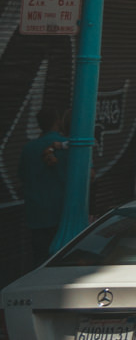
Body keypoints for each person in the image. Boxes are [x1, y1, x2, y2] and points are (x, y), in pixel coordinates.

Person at [20, 107, 69, 265]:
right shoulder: (67, 145)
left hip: (36, 214)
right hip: (61, 212)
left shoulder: (28, 149)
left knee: (40, 259)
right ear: (57, 121)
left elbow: (22, 177)